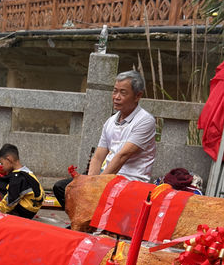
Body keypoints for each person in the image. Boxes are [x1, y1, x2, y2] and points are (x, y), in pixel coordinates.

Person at [52, 70, 156, 209]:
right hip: (106, 177)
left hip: (130, 180)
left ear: (138, 96)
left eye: (123, 93)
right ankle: (84, 221)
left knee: (92, 194)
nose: (116, 97)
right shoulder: (111, 121)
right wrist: (90, 181)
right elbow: (98, 157)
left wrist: (96, 186)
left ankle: (89, 220)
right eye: (115, 91)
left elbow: (122, 156)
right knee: (62, 188)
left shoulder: (145, 121)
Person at [0, 143, 44, 219]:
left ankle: (13, 215)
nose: (2, 167)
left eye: (2, 163)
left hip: (26, 211)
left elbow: (11, 200)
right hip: (33, 207)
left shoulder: (17, 179)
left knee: (5, 189)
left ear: (9, 159)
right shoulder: (26, 171)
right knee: (1, 183)